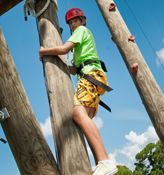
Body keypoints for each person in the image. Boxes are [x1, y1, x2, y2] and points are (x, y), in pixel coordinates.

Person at [39, 8, 118, 175]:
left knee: (77, 114)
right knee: (84, 119)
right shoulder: (80, 44)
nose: (73, 24)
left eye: (76, 21)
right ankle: (100, 162)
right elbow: (74, 69)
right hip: (91, 76)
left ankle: (105, 160)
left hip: (91, 76)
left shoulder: (81, 31)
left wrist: (44, 51)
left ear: (83, 21)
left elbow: (63, 49)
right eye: (71, 23)